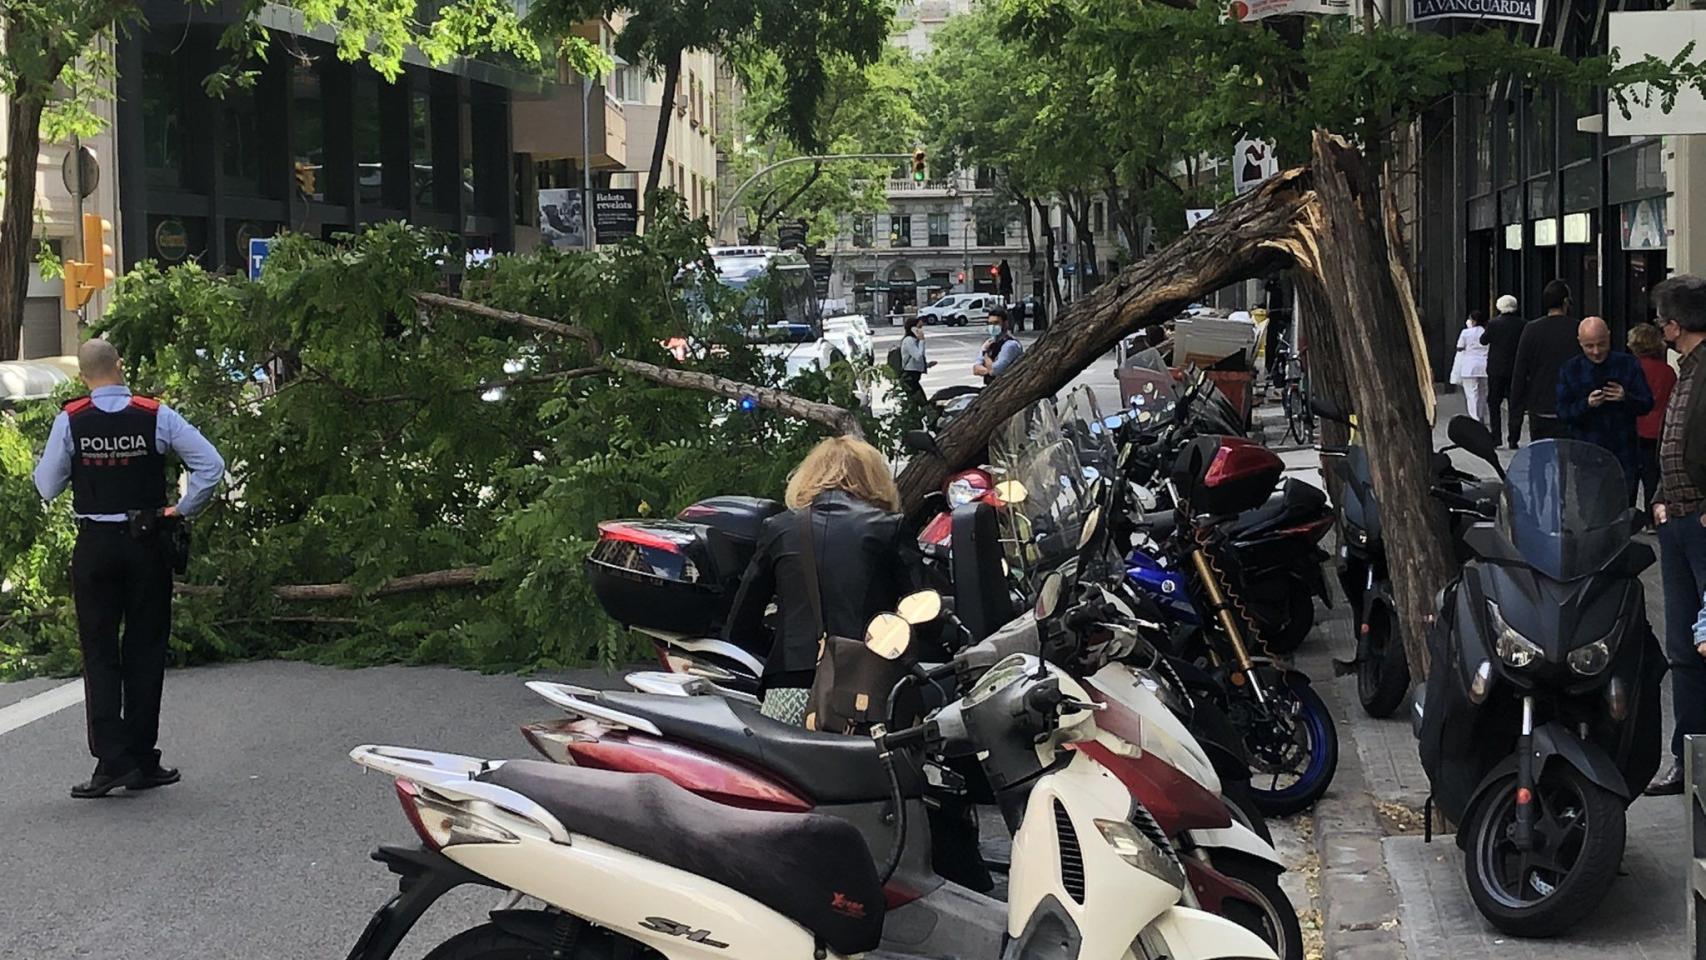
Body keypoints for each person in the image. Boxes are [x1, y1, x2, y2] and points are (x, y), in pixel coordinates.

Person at [32, 339, 225, 799]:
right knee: (146, 648)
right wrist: (182, 509)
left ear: (83, 377)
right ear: (120, 367)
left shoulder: (72, 419)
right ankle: (141, 757)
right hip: (147, 543)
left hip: (95, 546)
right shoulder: (154, 414)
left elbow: (46, 485)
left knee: (99, 653)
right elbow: (210, 465)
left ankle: (111, 762)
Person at [722, 437, 927, 712]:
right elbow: (922, 613)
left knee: (782, 756)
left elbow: (739, 627)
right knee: (872, 755)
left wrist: (788, 646)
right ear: (874, 478)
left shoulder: (779, 528)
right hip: (866, 686)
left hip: (790, 686)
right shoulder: (889, 527)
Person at [1643, 275, 1706, 796]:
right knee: (1683, 645)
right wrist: (1661, 499)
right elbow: (1672, 439)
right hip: (1677, 521)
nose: (1661, 326)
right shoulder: (1684, 370)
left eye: (1664, 317)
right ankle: (1688, 758)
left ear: (1676, 323)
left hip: (1700, 522)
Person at [1556, 316, 1653, 500]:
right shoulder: (1570, 369)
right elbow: (1562, 412)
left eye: (1601, 344)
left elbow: (1647, 403)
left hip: (1623, 455)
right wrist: (1586, 404)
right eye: (1589, 346)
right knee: (1590, 515)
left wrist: (1625, 398)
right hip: (1586, 457)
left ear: (1609, 337)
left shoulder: (1628, 364)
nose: (1596, 351)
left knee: (1622, 513)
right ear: (1580, 343)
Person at [1509, 279, 1579, 442]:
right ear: (1566, 302)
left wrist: (1515, 424)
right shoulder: (1578, 328)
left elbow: (1519, 374)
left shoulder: (1531, 329)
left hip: (1539, 406)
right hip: (1571, 405)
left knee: (1541, 458)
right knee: (1570, 458)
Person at [1631, 322, 1677, 513]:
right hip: (1658, 429)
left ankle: (1629, 515)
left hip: (1635, 427)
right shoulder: (1668, 372)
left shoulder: (1632, 368)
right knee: (1653, 477)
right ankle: (1652, 516)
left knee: (1631, 476)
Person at [1484, 294, 1527, 447]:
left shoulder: (1493, 324)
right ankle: (1513, 439)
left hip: (1496, 369)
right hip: (1516, 369)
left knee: (1494, 403)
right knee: (1515, 404)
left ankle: (1496, 437)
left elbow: (1483, 340)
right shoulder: (1523, 324)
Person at [1450, 310, 1491, 425]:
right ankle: (1481, 414)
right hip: (1484, 365)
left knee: (1472, 393)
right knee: (1483, 392)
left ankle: (1475, 418)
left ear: (1473, 320)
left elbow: (1459, 347)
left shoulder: (1466, 333)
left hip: (1469, 366)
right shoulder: (1486, 331)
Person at [972, 305, 1023, 381]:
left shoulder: (1010, 345)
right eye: (990, 323)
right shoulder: (989, 342)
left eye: (996, 323)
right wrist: (988, 371)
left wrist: (985, 354)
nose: (992, 326)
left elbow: (996, 370)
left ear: (1005, 324)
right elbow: (975, 369)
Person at [898, 314, 935, 414]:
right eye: (919, 327)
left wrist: (926, 365)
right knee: (921, 402)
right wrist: (922, 341)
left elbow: (917, 360)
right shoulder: (909, 341)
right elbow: (917, 356)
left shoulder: (914, 341)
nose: (921, 330)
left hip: (915, 375)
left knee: (917, 403)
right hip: (909, 377)